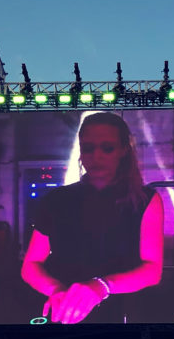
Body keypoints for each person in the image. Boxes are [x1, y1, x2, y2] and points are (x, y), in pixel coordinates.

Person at [21, 112, 164, 324]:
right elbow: (31, 265)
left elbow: (152, 270)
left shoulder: (145, 200)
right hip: (66, 310)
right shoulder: (57, 199)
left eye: (107, 148)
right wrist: (57, 290)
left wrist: (101, 286)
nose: (96, 156)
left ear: (124, 150)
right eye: (88, 148)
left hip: (121, 311)